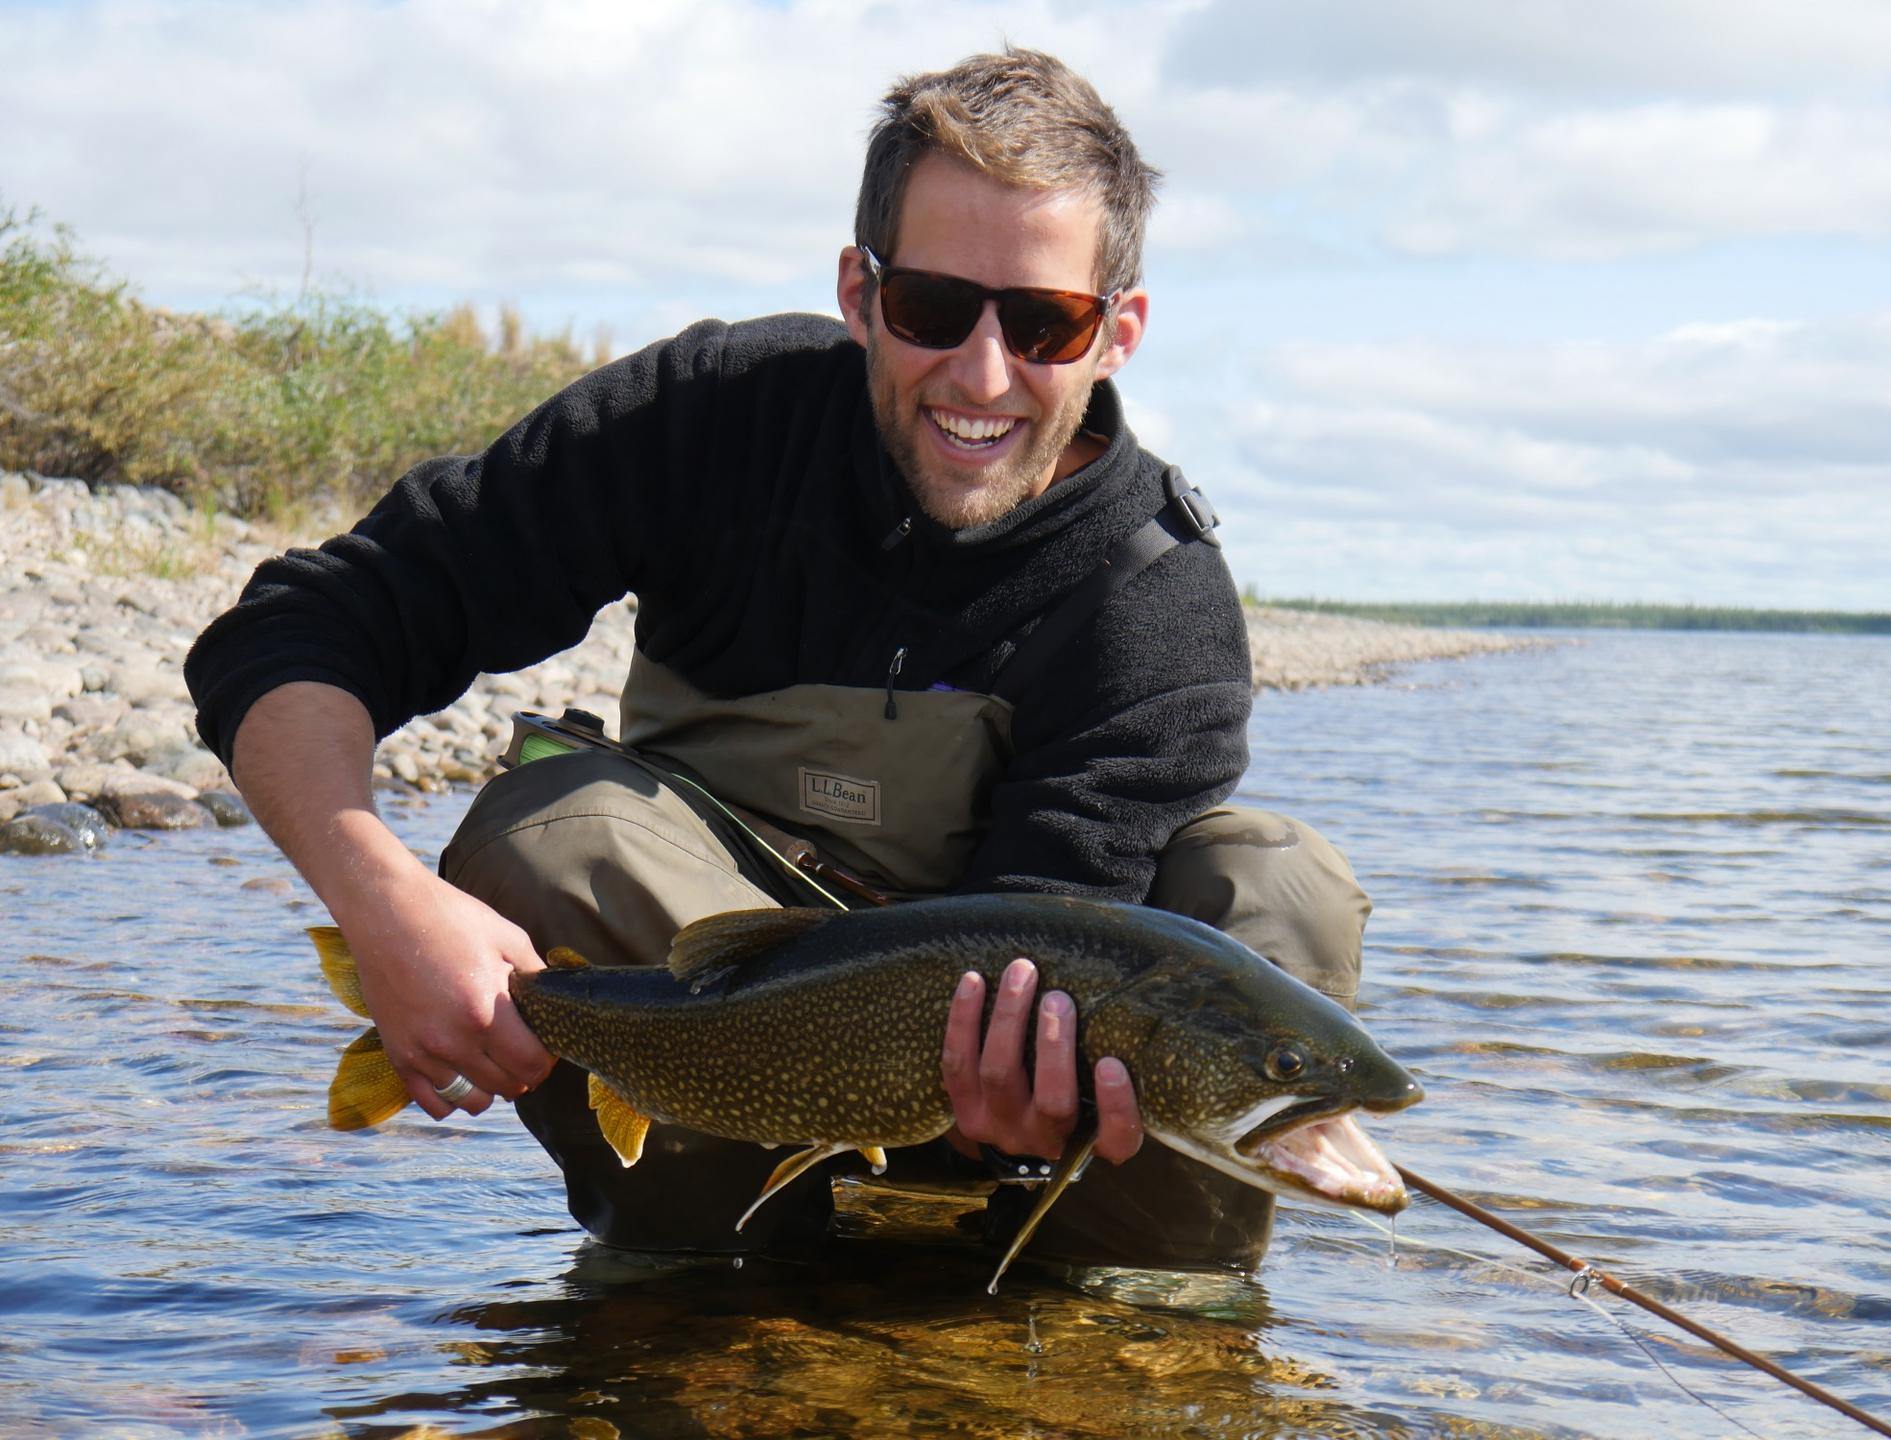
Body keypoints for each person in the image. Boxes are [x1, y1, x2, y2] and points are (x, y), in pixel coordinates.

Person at [185, 47, 1373, 1271]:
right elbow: (299, 628)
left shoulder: (1158, 604)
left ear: (1115, 332)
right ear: (860, 293)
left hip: (1032, 1126)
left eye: (1041, 323)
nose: (982, 374)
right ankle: (703, 1281)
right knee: (559, 833)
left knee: (1276, 885)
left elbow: (1057, 950)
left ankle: (1130, 1323)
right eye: (930, 308)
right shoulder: (710, 424)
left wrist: (1017, 1128)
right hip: (728, 1048)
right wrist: (380, 902)